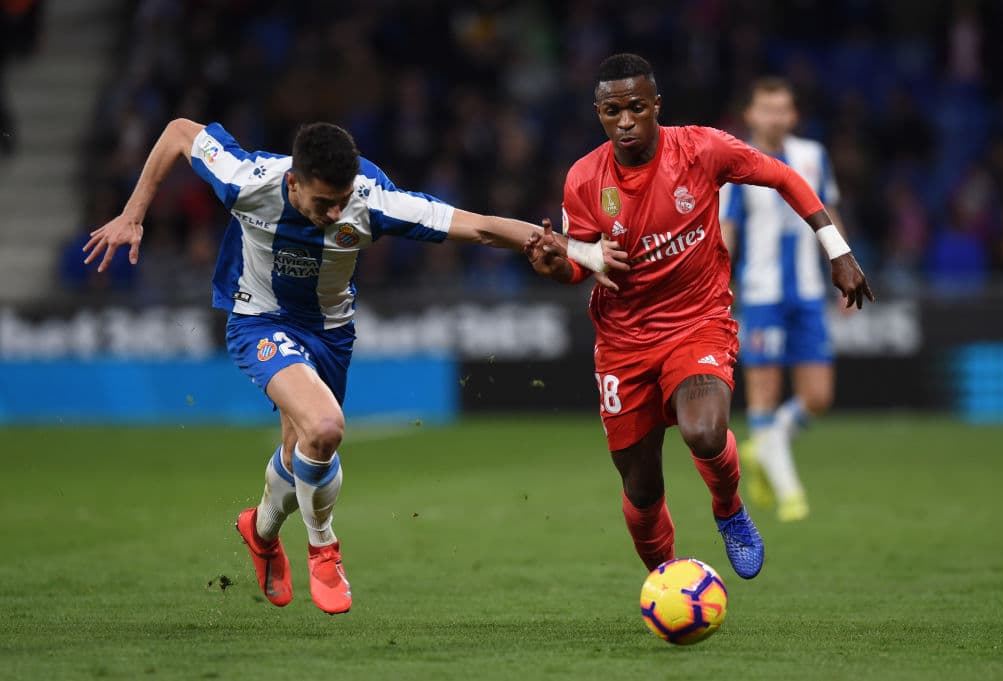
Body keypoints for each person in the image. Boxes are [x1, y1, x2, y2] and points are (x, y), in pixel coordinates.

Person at [84, 118, 625, 614]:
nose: (337, 214)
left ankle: (261, 530)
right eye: (325, 203)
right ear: (293, 184)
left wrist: (580, 253)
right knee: (325, 429)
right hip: (259, 321)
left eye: (342, 201)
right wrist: (133, 215)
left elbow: (480, 227)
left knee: (302, 453)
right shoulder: (246, 179)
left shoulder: (373, 202)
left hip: (331, 335)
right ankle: (325, 548)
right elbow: (180, 132)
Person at [525, 54, 872, 580]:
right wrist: (558, 267)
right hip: (623, 341)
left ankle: (729, 509)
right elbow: (585, 267)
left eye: (637, 108)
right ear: (599, 113)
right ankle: (666, 579)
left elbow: (784, 178)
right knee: (641, 489)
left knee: (705, 432)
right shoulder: (584, 179)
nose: (625, 121)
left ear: (656, 106)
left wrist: (837, 249)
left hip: (697, 322)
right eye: (612, 110)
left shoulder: (702, 148)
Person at [719, 77, 846, 522]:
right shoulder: (734, 163)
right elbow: (727, 231)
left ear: (793, 115)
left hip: (808, 293)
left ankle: (763, 451)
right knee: (764, 395)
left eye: (783, 109)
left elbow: (828, 213)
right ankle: (790, 491)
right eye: (766, 109)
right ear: (750, 114)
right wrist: (720, 283)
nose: (775, 116)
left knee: (818, 396)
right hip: (761, 295)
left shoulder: (813, 156)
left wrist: (842, 265)